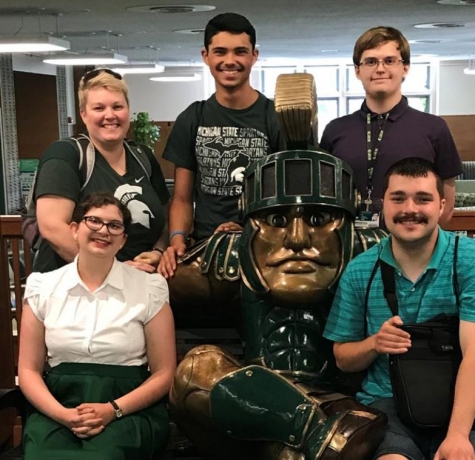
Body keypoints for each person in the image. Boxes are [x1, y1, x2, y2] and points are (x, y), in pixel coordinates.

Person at [169, 151, 387, 459]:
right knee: (197, 368)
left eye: (318, 219)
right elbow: (158, 288)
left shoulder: (371, 251)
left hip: (338, 400)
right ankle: (312, 435)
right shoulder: (229, 253)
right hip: (252, 402)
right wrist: (155, 260)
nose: (297, 238)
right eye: (276, 220)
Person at [324, 157, 475, 460]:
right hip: (388, 403)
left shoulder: (473, 261)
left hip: (465, 405)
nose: (410, 209)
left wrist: (458, 435)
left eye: (423, 199)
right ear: (384, 205)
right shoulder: (359, 271)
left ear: (442, 205)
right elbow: (343, 358)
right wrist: (375, 344)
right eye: (398, 198)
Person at [18, 193, 176, 460]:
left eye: (114, 226)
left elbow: (164, 373)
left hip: (128, 407)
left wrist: (111, 409)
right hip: (58, 405)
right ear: (74, 228)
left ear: (123, 239)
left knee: (106, 456)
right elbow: (28, 370)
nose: (104, 231)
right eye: (94, 221)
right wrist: (64, 416)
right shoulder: (42, 287)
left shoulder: (149, 288)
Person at [159, 12, 283, 278]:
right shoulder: (193, 117)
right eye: (220, 52)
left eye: (240, 52)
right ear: (206, 56)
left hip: (266, 250)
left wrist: (252, 229)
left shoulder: (275, 117)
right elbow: (181, 197)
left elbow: (288, 198)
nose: (230, 61)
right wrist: (177, 239)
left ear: (254, 56)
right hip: (206, 248)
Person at [32, 69, 170, 274]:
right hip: (76, 291)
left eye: (117, 106)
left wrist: (159, 251)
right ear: (84, 114)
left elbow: (164, 217)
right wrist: (114, 272)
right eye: (99, 108)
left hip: (138, 288)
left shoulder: (143, 157)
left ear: (127, 110)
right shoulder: (65, 155)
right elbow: (52, 227)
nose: (110, 115)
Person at [320, 26, 462, 224]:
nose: (380, 69)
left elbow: (445, 208)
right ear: (357, 71)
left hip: (412, 248)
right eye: (370, 61)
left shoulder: (434, 128)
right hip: (347, 246)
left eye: (389, 61)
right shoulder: (335, 130)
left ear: (405, 68)